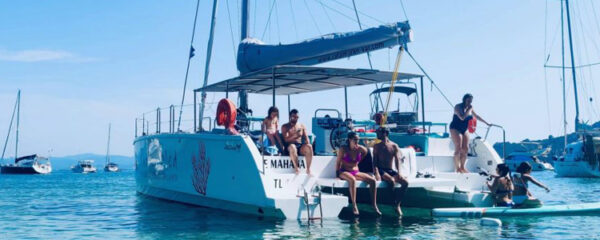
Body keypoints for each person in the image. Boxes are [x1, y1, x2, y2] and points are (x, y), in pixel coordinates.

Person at [336, 132, 381, 216]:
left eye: (358, 140)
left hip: (355, 171)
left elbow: (365, 153)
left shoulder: (360, 149)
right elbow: (338, 162)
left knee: (373, 181)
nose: (357, 141)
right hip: (344, 171)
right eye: (355, 140)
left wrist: (357, 162)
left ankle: (374, 205)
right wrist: (337, 175)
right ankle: (354, 205)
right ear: (349, 140)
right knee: (352, 180)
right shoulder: (343, 149)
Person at [449, 93, 491, 173]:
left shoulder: (470, 107)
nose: (470, 103)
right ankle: (457, 168)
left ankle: (462, 167)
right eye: (468, 100)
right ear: (464, 100)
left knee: (466, 148)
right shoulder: (458, 107)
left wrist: (486, 123)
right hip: (455, 128)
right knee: (458, 147)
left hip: (464, 128)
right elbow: (462, 118)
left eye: (471, 101)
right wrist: (468, 110)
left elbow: (476, 116)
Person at [373, 127, 409, 216]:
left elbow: (398, 160)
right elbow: (374, 162)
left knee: (405, 183)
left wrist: (399, 172)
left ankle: (397, 204)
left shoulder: (394, 146)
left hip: (390, 170)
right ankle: (392, 202)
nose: (377, 134)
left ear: (385, 133)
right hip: (381, 170)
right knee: (391, 181)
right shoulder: (377, 146)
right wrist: (376, 173)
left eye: (378, 132)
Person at [281, 109, 313, 175]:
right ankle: (296, 169)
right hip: (290, 146)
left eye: (297, 117)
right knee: (293, 147)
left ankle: (308, 169)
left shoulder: (301, 126)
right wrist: (295, 135)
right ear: (290, 116)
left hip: (300, 146)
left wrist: (308, 143)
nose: (295, 118)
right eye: (294, 117)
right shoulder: (285, 126)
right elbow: (286, 139)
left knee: (309, 147)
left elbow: (307, 139)